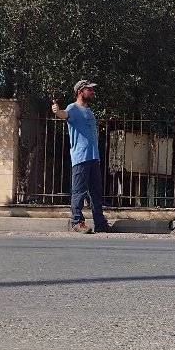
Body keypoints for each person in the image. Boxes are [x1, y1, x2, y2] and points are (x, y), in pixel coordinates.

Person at [51, 79, 110, 234]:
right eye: (89, 89)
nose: (92, 92)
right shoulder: (73, 108)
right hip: (81, 157)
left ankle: (100, 223)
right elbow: (65, 114)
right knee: (79, 191)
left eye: (92, 89)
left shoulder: (89, 111)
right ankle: (77, 221)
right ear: (80, 92)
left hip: (93, 157)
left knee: (96, 192)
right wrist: (57, 112)